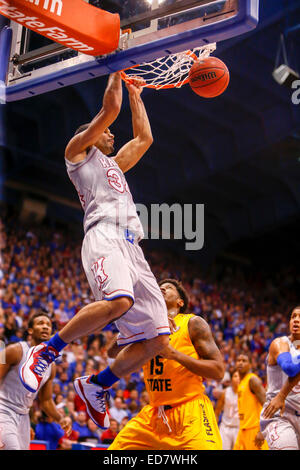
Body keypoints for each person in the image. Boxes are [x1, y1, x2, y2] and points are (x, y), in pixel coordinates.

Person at [19, 72, 171, 430]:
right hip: (103, 234)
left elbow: (145, 137)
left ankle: (96, 385)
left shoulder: (114, 164)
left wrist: (137, 92)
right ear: (87, 135)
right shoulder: (77, 154)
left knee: (160, 338)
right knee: (120, 302)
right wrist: (116, 71)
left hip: (133, 246)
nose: (112, 133)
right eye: (105, 132)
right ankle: (49, 349)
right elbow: (109, 108)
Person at [108, 278, 224, 450]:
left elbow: (218, 371)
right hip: (154, 414)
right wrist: (134, 324)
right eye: (159, 288)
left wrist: (174, 355)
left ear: (180, 302)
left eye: (168, 288)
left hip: (189, 409)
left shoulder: (192, 323)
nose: (161, 289)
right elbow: (111, 352)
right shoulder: (147, 328)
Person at [0, 311, 71, 450]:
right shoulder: (14, 350)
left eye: (48, 325)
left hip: (23, 417)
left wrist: (60, 418)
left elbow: (46, 401)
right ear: (30, 331)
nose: (45, 327)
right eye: (40, 323)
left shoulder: (51, 365)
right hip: (3, 410)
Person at [260, 306, 300, 450]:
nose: (296, 320)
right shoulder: (280, 343)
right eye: (293, 317)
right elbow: (290, 368)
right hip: (280, 416)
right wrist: (282, 395)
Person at [233, 353, 268, 450]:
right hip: (243, 429)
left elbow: (266, 405)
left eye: (244, 361)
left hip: (254, 430)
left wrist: (262, 430)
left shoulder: (252, 379)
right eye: (238, 360)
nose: (240, 363)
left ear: (250, 365)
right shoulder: (241, 382)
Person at [214, 369, 240, 450]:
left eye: (239, 376)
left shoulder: (246, 393)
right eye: (235, 376)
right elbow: (217, 412)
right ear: (231, 379)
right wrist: (214, 430)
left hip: (239, 428)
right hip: (225, 428)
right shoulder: (225, 393)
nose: (238, 378)